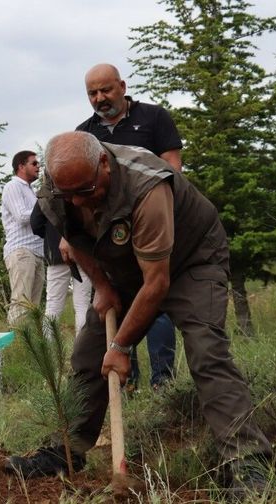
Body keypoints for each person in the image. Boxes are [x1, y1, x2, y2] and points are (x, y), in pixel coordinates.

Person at [7, 132, 271, 497]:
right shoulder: (57, 189)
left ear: (103, 164)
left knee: (206, 350)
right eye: (71, 195)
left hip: (191, 259)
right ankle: (67, 451)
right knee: (87, 354)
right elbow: (75, 239)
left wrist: (121, 345)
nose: (80, 201)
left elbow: (157, 283)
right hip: (127, 265)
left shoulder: (146, 185)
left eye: (86, 190)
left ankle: (247, 463)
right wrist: (102, 286)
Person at [76, 63, 183, 391]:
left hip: (152, 225)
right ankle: (128, 382)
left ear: (122, 86)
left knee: (156, 301)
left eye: (106, 90)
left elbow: (174, 168)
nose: (99, 98)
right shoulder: (84, 134)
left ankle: (163, 382)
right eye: (92, 93)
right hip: (108, 237)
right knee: (118, 303)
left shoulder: (153, 118)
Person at [31, 203, 91, 338]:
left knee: (53, 306)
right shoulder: (80, 185)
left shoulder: (48, 190)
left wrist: (50, 235)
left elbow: (35, 223)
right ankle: (81, 351)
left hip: (56, 252)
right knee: (82, 304)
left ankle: (49, 352)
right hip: (82, 249)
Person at [1, 150, 45, 326]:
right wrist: (45, 209)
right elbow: (21, 216)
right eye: (34, 163)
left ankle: (29, 351)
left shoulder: (31, 191)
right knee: (21, 304)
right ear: (21, 166)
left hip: (36, 253)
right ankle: (13, 349)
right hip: (21, 252)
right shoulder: (13, 186)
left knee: (33, 310)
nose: (38, 167)